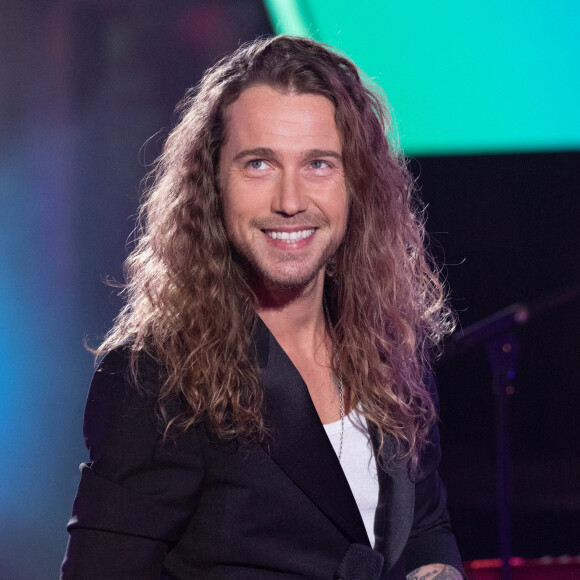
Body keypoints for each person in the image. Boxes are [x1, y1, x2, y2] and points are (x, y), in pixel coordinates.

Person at [61, 35, 464, 579]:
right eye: (258, 164)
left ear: (357, 185)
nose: (291, 200)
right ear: (212, 185)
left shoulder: (389, 346)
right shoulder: (155, 375)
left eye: (319, 164)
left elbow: (424, 531)